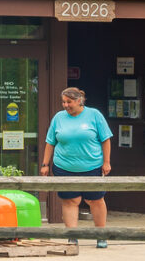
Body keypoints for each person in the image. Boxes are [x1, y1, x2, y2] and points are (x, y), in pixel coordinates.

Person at [39, 86, 113, 248]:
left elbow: (105, 139)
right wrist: (45, 164)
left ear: (79, 101)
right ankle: (72, 236)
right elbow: (50, 141)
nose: (65, 105)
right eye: (63, 102)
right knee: (70, 200)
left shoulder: (94, 115)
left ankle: (101, 235)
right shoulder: (58, 118)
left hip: (92, 166)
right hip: (64, 167)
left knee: (95, 200)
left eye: (69, 102)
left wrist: (106, 162)